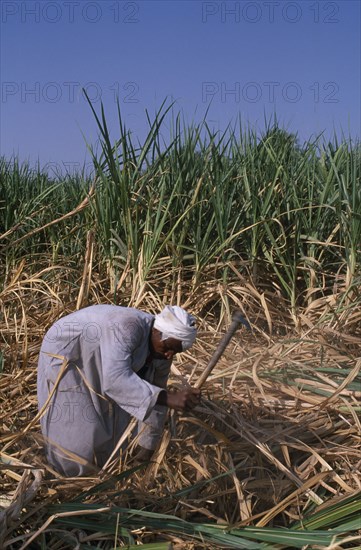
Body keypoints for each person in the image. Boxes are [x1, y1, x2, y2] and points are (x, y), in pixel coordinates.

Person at [37, 304, 200, 476]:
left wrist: (147, 447)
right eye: (168, 347)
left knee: (114, 425)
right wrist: (169, 398)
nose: (169, 355)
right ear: (157, 332)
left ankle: (100, 474)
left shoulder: (162, 352)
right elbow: (116, 381)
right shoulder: (127, 327)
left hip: (102, 359)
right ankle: (64, 478)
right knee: (76, 433)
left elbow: (157, 398)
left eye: (176, 352)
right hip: (68, 354)